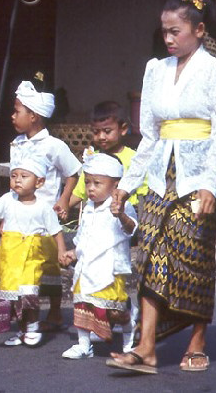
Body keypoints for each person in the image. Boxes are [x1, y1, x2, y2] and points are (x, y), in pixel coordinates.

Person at [106, 0, 216, 374]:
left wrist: (210, 185)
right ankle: (145, 347)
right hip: (161, 179)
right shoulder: (154, 69)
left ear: (198, 30)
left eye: (175, 31)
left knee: (193, 259)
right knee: (150, 257)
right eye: (164, 31)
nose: (167, 39)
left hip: (199, 179)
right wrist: (126, 184)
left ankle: (197, 339)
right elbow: (150, 135)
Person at [0, 78, 80, 335]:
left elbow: (73, 172)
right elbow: (16, 180)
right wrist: (8, 214)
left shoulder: (54, 146)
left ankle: (53, 312)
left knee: (47, 267)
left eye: (17, 111)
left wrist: (63, 199)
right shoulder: (17, 143)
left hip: (44, 215)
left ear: (34, 116)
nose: (13, 115)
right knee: (7, 264)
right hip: (19, 215)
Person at [0, 157, 67, 346]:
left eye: (24, 176)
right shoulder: (8, 200)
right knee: (12, 297)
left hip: (32, 257)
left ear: (39, 182)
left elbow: (56, 231)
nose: (17, 180)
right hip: (10, 258)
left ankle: (32, 328)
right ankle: (22, 330)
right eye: (14, 175)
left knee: (28, 294)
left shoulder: (43, 207)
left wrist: (61, 252)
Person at [61, 152, 138, 359]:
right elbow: (83, 237)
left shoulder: (123, 205)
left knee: (114, 310)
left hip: (109, 267)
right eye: (88, 183)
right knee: (82, 304)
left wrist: (121, 215)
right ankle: (84, 345)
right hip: (86, 266)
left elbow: (131, 229)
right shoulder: (87, 208)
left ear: (115, 185)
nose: (91, 188)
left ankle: (130, 331)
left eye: (97, 183)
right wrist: (73, 253)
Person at [69, 100, 148, 209]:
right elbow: (80, 192)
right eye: (96, 132)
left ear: (123, 129)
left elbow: (144, 194)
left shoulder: (135, 159)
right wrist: (62, 207)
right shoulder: (93, 159)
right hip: (95, 217)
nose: (101, 136)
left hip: (124, 217)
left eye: (107, 131)